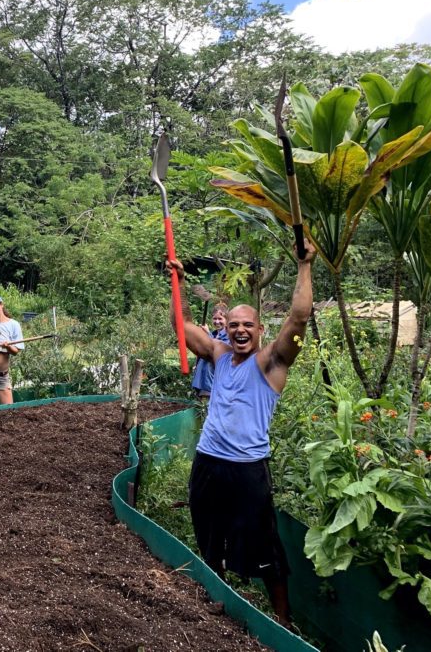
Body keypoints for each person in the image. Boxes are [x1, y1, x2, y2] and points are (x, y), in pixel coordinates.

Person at [167, 240, 314, 627]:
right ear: (225, 328)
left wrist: (304, 266)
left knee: (263, 544)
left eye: (248, 324)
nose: (240, 330)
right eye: (233, 325)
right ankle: (216, 597)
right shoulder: (218, 354)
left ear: (260, 329)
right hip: (209, 461)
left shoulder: (272, 363)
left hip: (248, 468)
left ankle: (283, 619)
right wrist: (177, 284)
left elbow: (298, 321)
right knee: (209, 533)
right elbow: (181, 327)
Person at [191, 304, 229, 398]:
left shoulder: (229, 337)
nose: (217, 322)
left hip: (213, 384)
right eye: (214, 318)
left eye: (220, 319)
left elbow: (217, 352)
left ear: (227, 320)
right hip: (200, 382)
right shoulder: (213, 334)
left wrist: (208, 334)